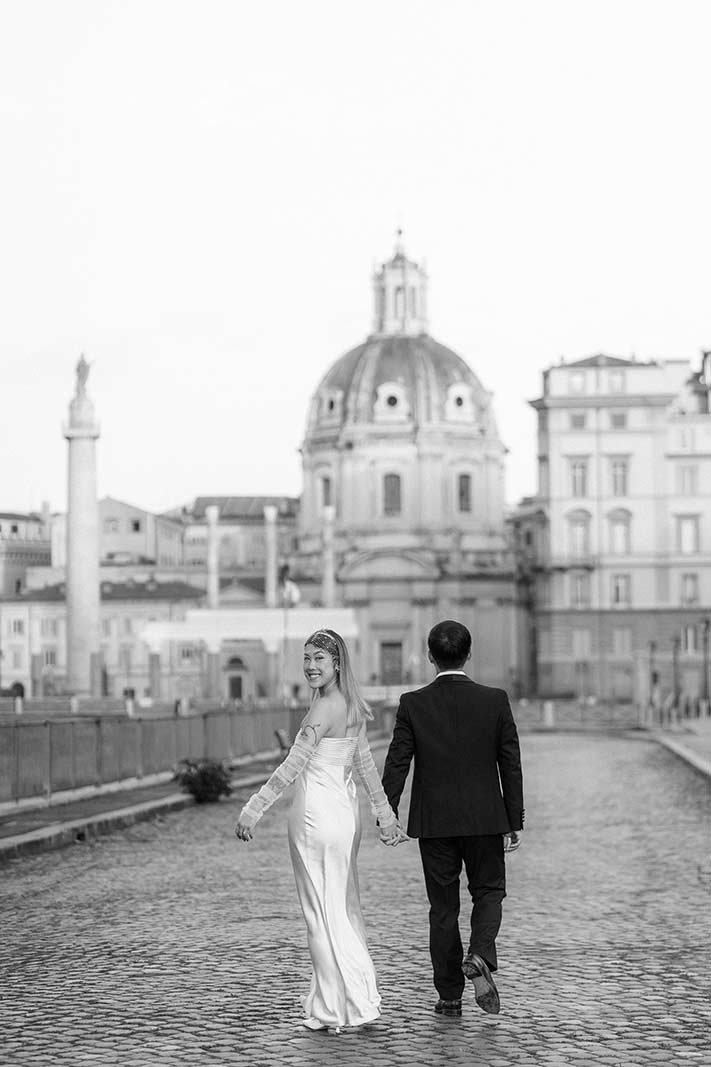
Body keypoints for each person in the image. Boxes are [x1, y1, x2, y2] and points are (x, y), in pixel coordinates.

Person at [235, 629, 407, 1032]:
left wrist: (253, 809)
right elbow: (365, 769)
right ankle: (353, 997)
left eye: (319, 660)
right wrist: (385, 816)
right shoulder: (352, 707)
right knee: (343, 908)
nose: (311, 666)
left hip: (315, 816)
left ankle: (337, 1006)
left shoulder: (320, 712)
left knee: (319, 913)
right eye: (307, 658)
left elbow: (290, 768)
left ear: (337, 665)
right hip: (345, 817)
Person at [381, 620, 524, 1018]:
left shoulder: (413, 703)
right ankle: (479, 953)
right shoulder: (495, 700)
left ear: (430, 656)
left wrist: (387, 810)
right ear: (469, 653)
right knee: (489, 891)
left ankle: (449, 996)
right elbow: (510, 763)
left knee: (443, 909)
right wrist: (515, 818)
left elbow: (398, 762)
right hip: (485, 818)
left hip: (435, 823)